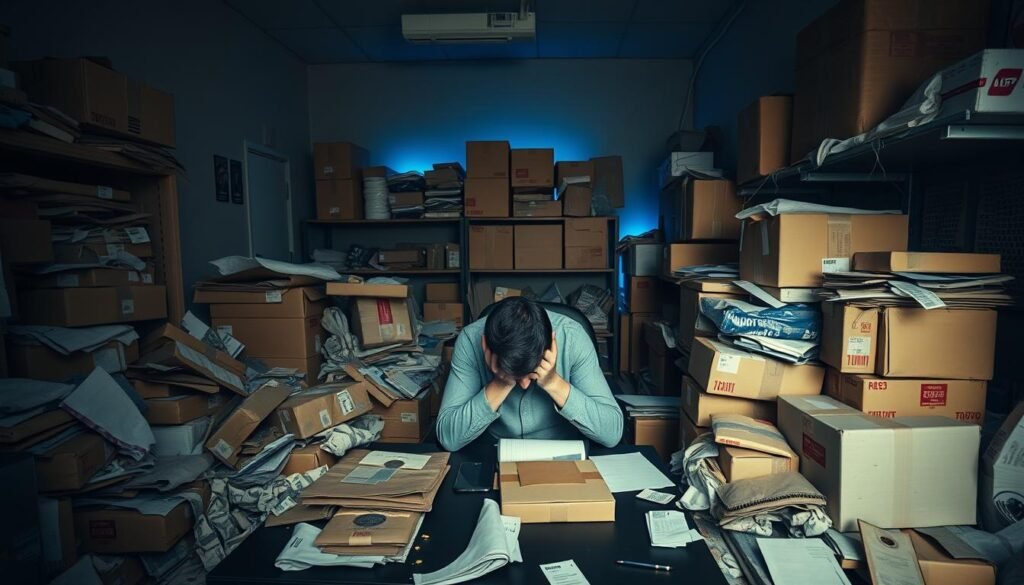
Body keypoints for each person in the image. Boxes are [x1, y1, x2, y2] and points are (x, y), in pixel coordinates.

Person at [435, 296, 623, 451]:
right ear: (486, 346)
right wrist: (501, 383)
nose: (524, 385)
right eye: (515, 376)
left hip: (563, 451)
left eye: (531, 373)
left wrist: (553, 383)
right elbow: (448, 437)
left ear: (552, 342)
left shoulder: (573, 337)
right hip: (494, 450)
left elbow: (611, 433)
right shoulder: (470, 339)